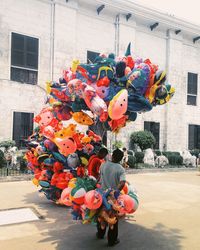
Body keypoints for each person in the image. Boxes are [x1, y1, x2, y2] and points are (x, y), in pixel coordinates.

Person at [97, 148, 126, 247]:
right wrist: (115, 191)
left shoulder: (103, 164)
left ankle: (100, 234)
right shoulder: (120, 169)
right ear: (121, 159)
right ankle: (111, 241)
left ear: (112, 155)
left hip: (101, 195)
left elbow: (99, 178)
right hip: (113, 199)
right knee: (113, 219)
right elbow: (122, 183)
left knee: (101, 215)